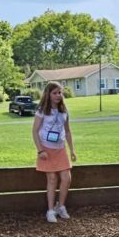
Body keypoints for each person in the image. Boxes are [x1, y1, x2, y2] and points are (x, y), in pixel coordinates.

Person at [32, 81, 76, 223]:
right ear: (48, 94)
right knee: (52, 179)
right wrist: (40, 150)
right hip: (46, 149)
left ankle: (60, 206)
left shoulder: (64, 110)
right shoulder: (42, 110)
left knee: (66, 178)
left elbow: (68, 131)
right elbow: (35, 131)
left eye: (60, 92)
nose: (58, 95)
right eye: (55, 93)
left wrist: (72, 150)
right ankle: (50, 210)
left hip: (60, 148)